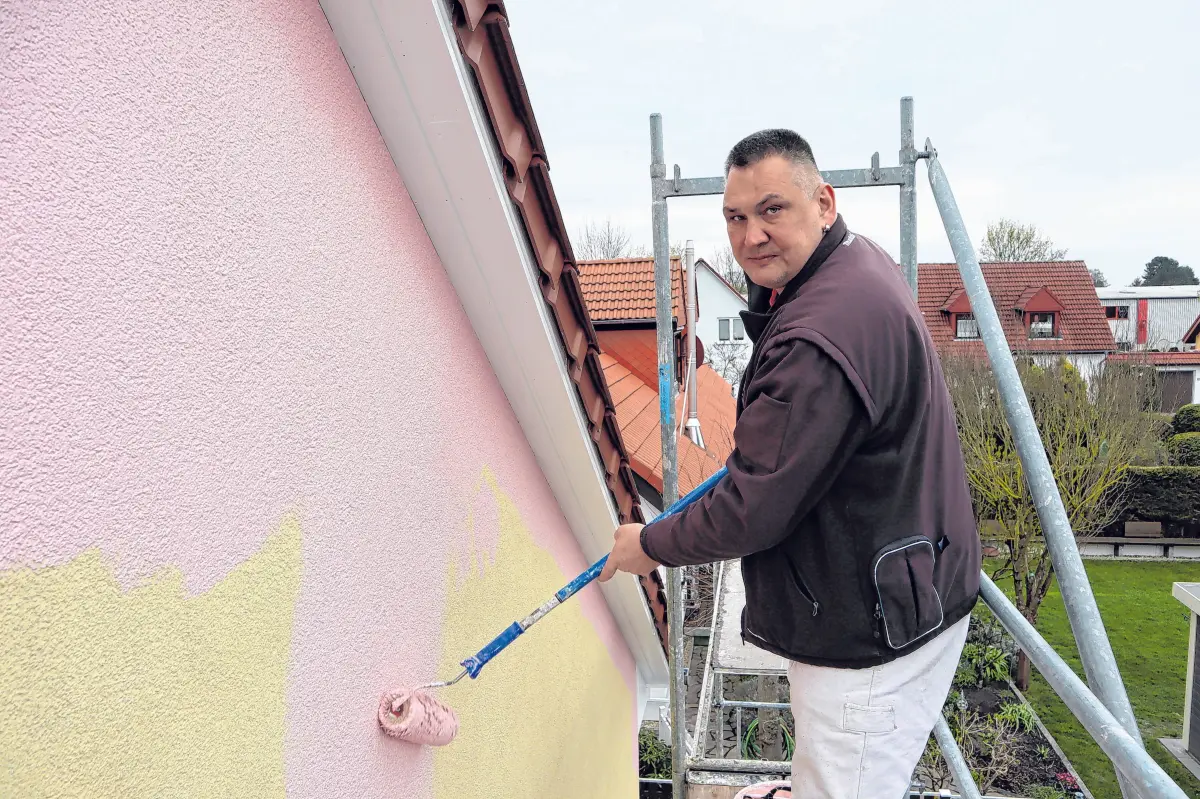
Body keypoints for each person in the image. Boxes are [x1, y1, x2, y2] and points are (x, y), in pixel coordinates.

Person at [599, 129, 982, 799]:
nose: (751, 236)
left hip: (869, 636)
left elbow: (752, 510)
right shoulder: (858, 265)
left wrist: (649, 542)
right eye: (735, 216)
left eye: (772, 209)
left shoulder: (817, 340)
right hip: (911, 577)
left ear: (823, 202)